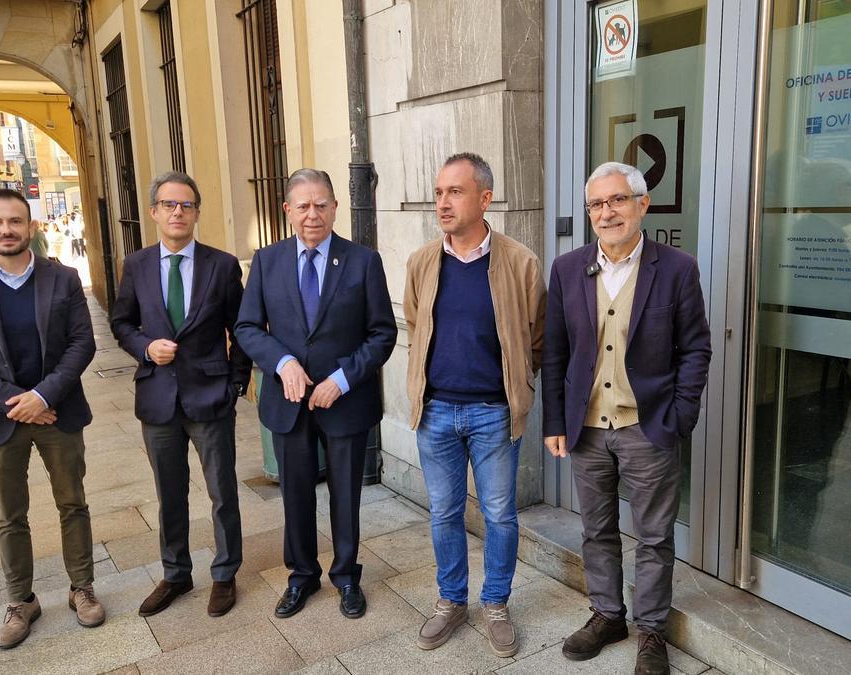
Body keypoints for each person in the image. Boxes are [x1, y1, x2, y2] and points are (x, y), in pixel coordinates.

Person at [542, 162, 711, 673]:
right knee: (596, 530)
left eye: (617, 200)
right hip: (587, 427)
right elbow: (555, 352)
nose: (606, 212)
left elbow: (696, 349)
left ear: (643, 204)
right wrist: (555, 421)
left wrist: (679, 416)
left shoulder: (676, 268)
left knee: (654, 536)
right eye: (596, 204)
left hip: (648, 425)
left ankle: (652, 631)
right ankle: (607, 615)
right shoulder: (567, 269)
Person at [235, 168, 396, 621]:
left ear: (335, 208)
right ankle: (301, 576)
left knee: (346, 496)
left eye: (321, 204)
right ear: (287, 210)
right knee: (296, 497)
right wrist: (282, 362)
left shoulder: (364, 261)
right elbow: (247, 327)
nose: (313, 214)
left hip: (345, 402)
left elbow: (382, 333)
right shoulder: (267, 262)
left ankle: (346, 576)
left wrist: (342, 379)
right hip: (287, 404)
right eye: (303, 206)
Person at [0, 189, 102, 650]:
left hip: (59, 412)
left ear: (30, 227)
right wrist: (18, 401)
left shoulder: (64, 278)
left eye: (15, 221)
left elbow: (82, 344)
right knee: (10, 515)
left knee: (72, 503)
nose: (7, 230)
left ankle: (82, 587)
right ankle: (21, 601)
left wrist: (44, 394)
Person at [402, 152, 546, 659]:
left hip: (494, 414)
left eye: (455, 192)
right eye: (439, 192)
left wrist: (515, 387)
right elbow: (416, 325)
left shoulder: (520, 262)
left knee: (501, 515)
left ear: (485, 198)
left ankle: (496, 603)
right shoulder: (423, 261)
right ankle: (451, 601)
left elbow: (537, 337)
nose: (443, 202)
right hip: (436, 411)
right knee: (443, 513)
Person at [110, 171, 252, 618]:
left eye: (186, 205)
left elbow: (242, 330)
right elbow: (121, 323)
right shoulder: (135, 265)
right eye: (169, 204)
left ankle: (225, 573)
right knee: (169, 494)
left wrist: (236, 385)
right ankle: (176, 573)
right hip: (157, 399)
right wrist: (145, 348)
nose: (177, 212)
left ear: (196, 213)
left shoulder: (222, 265)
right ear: (154, 212)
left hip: (211, 397)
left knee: (222, 492)